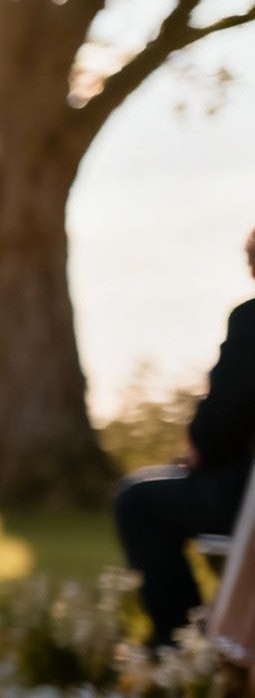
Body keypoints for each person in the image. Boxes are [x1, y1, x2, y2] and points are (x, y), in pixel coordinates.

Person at [116, 228, 255, 648]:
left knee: (136, 501)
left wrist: (197, 451)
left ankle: (177, 642)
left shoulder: (250, 321)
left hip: (247, 497)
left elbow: (219, 420)